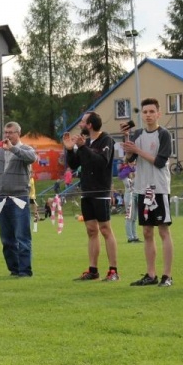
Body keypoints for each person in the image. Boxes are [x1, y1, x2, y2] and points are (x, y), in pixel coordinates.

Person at [122, 98, 174, 287]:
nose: (148, 115)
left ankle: (167, 276)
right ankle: (151, 275)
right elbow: (129, 160)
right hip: (142, 189)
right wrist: (128, 144)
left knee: (163, 230)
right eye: (145, 112)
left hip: (158, 188)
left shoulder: (164, 134)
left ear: (158, 114)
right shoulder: (137, 134)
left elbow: (160, 162)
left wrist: (137, 150)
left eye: (152, 111)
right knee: (146, 231)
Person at [64, 111, 120, 282]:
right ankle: (93, 270)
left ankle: (113, 271)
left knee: (105, 229)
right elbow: (74, 164)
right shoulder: (86, 142)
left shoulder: (106, 140)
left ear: (89, 125)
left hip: (100, 191)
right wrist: (70, 150)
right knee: (91, 230)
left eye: (82, 122)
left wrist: (82, 148)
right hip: (86, 191)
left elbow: (101, 162)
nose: (80, 125)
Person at [0, 121, 37, 277]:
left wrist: (12, 148)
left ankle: (25, 270)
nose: (7, 135)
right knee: (6, 238)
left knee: (22, 236)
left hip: (19, 197)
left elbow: (32, 158)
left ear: (18, 133)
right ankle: (14, 269)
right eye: (6, 132)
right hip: (2, 198)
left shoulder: (25, 149)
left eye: (11, 132)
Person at [118, 160, 139, 243]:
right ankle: (130, 237)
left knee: (134, 217)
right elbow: (127, 183)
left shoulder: (136, 170)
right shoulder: (125, 171)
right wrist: (133, 177)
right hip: (129, 195)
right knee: (129, 217)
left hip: (136, 194)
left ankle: (135, 236)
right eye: (131, 161)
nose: (133, 163)